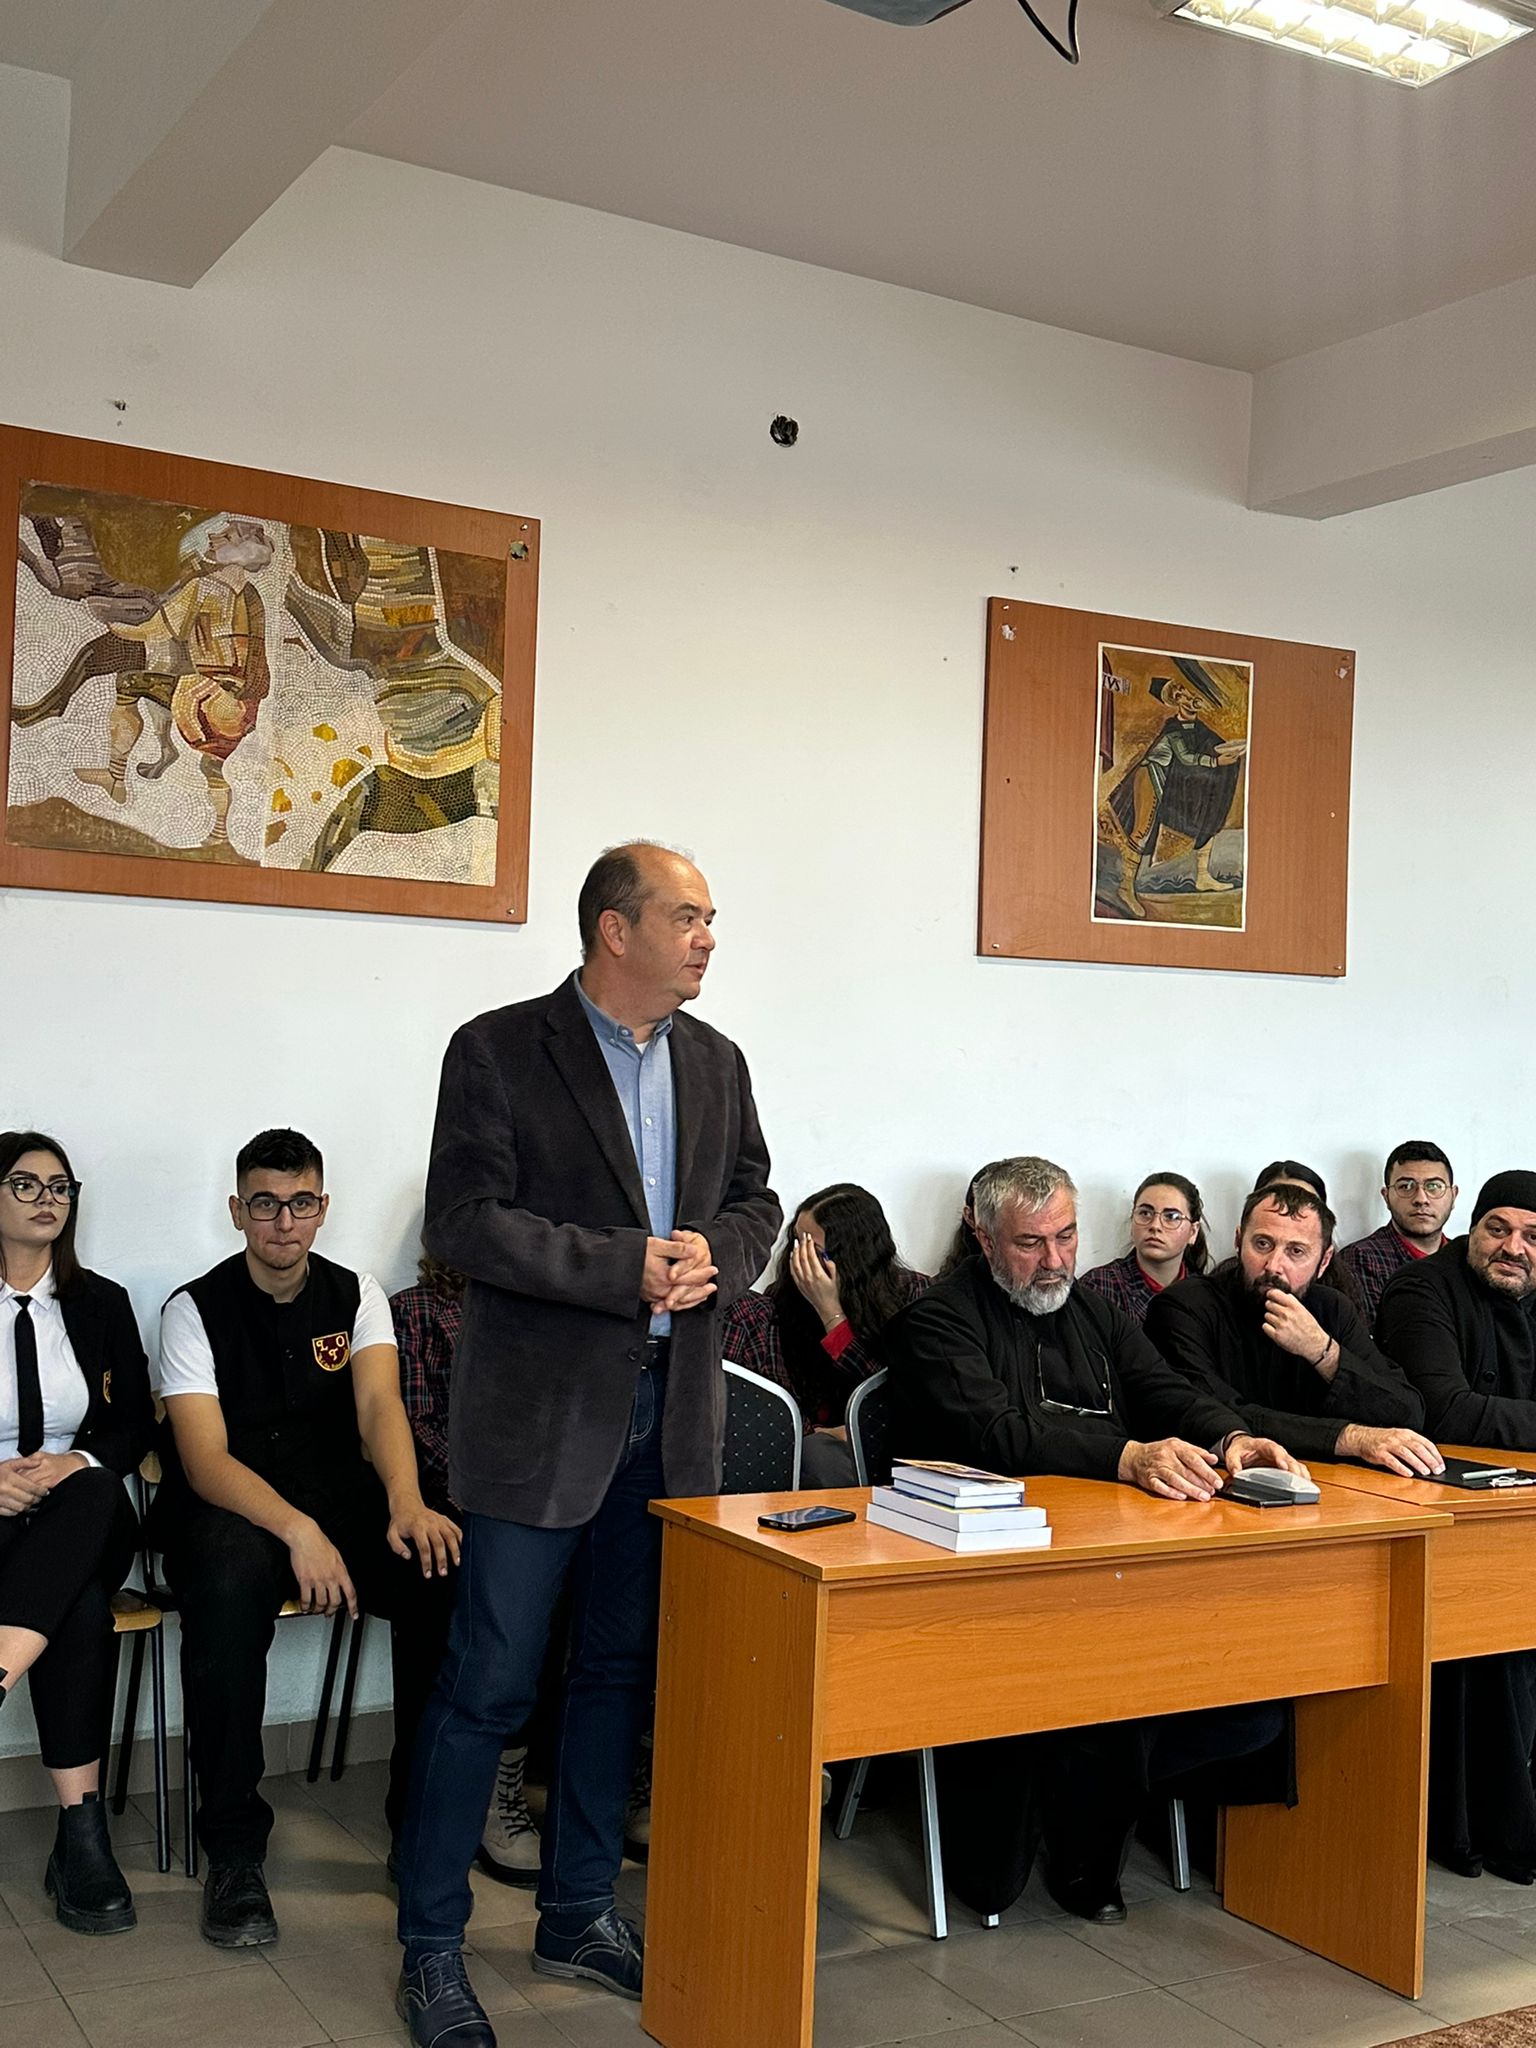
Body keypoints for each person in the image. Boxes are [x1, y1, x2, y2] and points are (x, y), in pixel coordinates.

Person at [395, 842, 780, 2045]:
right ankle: (431, 1945)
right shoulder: (498, 1047)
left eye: (711, 917)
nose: (709, 936)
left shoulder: (718, 1060)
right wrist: (624, 1266)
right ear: (617, 927)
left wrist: (722, 1251)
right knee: (489, 1683)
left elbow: (758, 1198)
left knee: (617, 1675)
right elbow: (464, 1220)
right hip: (538, 1422)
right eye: (689, 915)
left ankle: (576, 1911)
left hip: (672, 1419)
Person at [885, 1155, 1303, 1923]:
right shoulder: (939, 1319)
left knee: (1249, 1692)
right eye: (1030, 1243)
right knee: (1109, 1675)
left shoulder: (1095, 1313)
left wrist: (1231, 1436)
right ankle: (1080, 1818)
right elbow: (999, 1434)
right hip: (988, 1581)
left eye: (1067, 1236)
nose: (1054, 1261)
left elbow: (1165, 1390)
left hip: (1112, 1565)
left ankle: (1095, 1821)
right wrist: (1128, 1457)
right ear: (983, 1237)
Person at [152, 1129, 460, 1949]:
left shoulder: (357, 1295)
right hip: (232, 1507)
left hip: (337, 1493)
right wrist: (298, 1532)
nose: (283, 1222)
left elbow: (379, 1409)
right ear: (237, 1211)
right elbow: (204, 1459)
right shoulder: (192, 1308)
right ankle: (234, 1852)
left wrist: (406, 1503)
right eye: (265, 1204)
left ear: (322, 1208)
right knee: (224, 1588)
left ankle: (420, 1828)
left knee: (442, 1569)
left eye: (299, 1204)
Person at [0, 1131, 154, 1936]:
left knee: (93, 1488)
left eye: (60, 1186)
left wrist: (76, 1463)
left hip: (82, 1514)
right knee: (82, 1610)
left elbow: (133, 1427)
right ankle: (81, 1836)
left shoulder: (100, 1303)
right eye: (26, 1184)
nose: (48, 1199)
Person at [1376, 1171, 1536, 1883]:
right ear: (1473, 1228)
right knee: (1501, 1637)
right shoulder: (1423, 1291)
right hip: (1450, 1521)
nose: (1512, 1248)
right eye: (1498, 1229)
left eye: (1531, 1237)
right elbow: (1444, 1410)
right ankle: (1494, 1829)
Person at [390, 1251, 540, 1889]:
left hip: (540, 1497)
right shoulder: (416, 1310)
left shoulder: (540, 1307)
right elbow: (417, 1423)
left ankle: (513, 1780)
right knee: (454, 1585)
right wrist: (493, 1489)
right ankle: (446, 1810)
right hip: (454, 1501)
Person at [1146, 1182, 1437, 1473]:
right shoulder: (1183, 1306)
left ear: (1324, 1261)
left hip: (1326, 1479)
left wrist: (1324, 1352)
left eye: (1296, 1251)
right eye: (1262, 1244)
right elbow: (1213, 1413)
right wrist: (1350, 1438)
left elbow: (1407, 1412)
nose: (1274, 1265)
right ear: (1238, 1241)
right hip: (1215, 1479)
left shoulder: (1332, 1308)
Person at [724, 1183, 928, 1485]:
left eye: (815, 1252)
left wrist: (831, 1313)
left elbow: (897, 1392)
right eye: (797, 1243)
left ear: (853, 1257)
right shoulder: (776, 1307)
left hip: (892, 1446)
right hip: (815, 1451)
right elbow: (775, 1409)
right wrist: (823, 1433)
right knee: (816, 1454)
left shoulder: (914, 1296)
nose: (801, 1261)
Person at [1338, 1142, 1458, 1324]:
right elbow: (1371, 1338)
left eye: (1434, 1186)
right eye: (1406, 1186)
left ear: (1453, 1195)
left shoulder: (1466, 1257)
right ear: (1386, 1196)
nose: (1421, 1199)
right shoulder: (1362, 1258)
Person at [1080, 1171, 1209, 1322]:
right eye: (1145, 1213)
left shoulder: (1206, 1295)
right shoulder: (1100, 1286)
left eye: (1171, 1217)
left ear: (1193, 1232)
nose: (1155, 1226)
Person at [1249, 1160, 1367, 1314]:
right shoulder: (1224, 1287)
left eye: (1307, 1203)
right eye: (1278, 1200)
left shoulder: (1341, 1294)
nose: (1289, 1215)